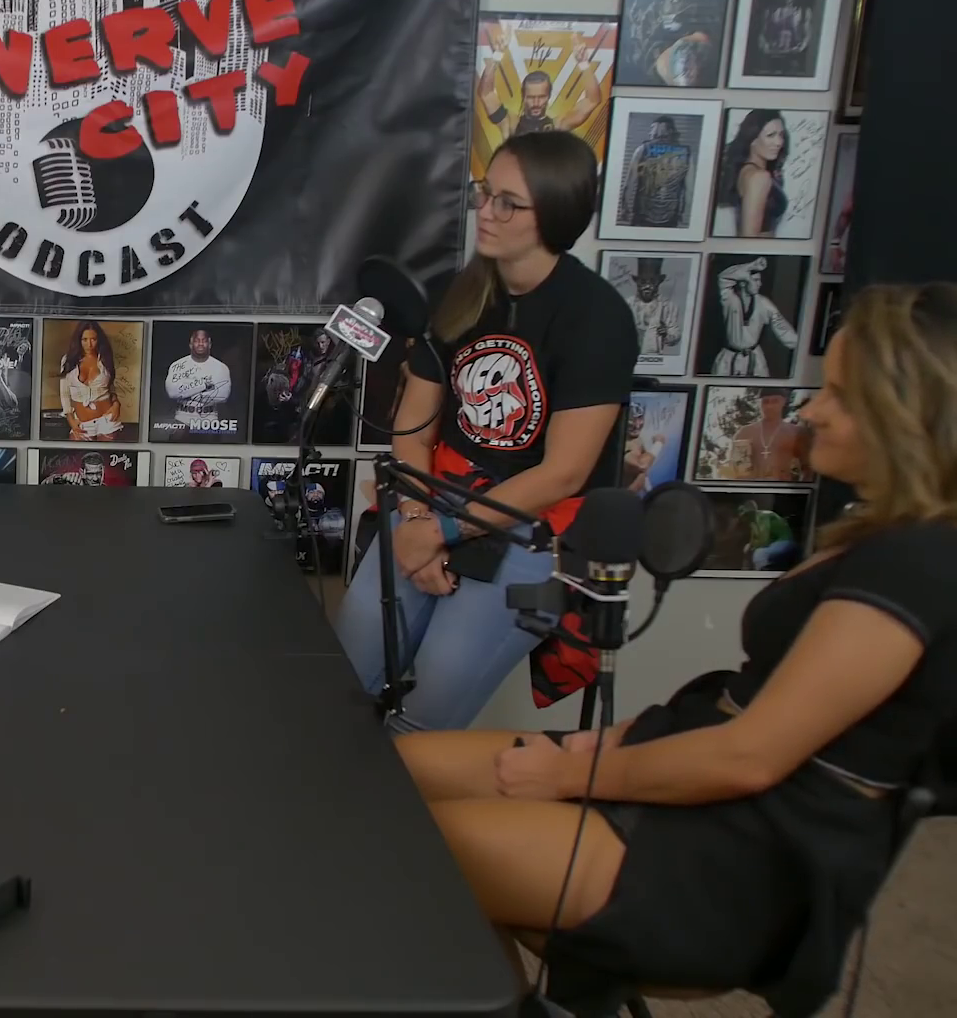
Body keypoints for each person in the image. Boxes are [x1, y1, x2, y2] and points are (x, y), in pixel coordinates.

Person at [392, 282, 957, 1018]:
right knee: (391, 774)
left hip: (737, 854)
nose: (812, 410)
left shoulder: (916, 563)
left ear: (910, 417)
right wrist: (611, 743)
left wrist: (572, 775)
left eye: (842, 397)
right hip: (697, 770)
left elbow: (750, 755)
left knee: (406, 851)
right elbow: (743, 706)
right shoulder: (883, 536)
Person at [334, 130, 639, 734]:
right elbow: (412, 430)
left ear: (555, 214)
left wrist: (442, 534)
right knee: (340, 683)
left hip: (530, 530)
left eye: (508, 203)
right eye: (484, 193)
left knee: (427, 709)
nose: (486, 212)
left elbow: (563, 473)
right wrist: (418, 522)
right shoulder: (463, 292)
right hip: (433, 501)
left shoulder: (597, 317)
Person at [715, 109, 790, 238]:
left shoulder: (748, 171)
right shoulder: (759, 177)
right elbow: (749, 237)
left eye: (781, 135)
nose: (779, 142)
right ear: (752, 139)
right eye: (770, 135)